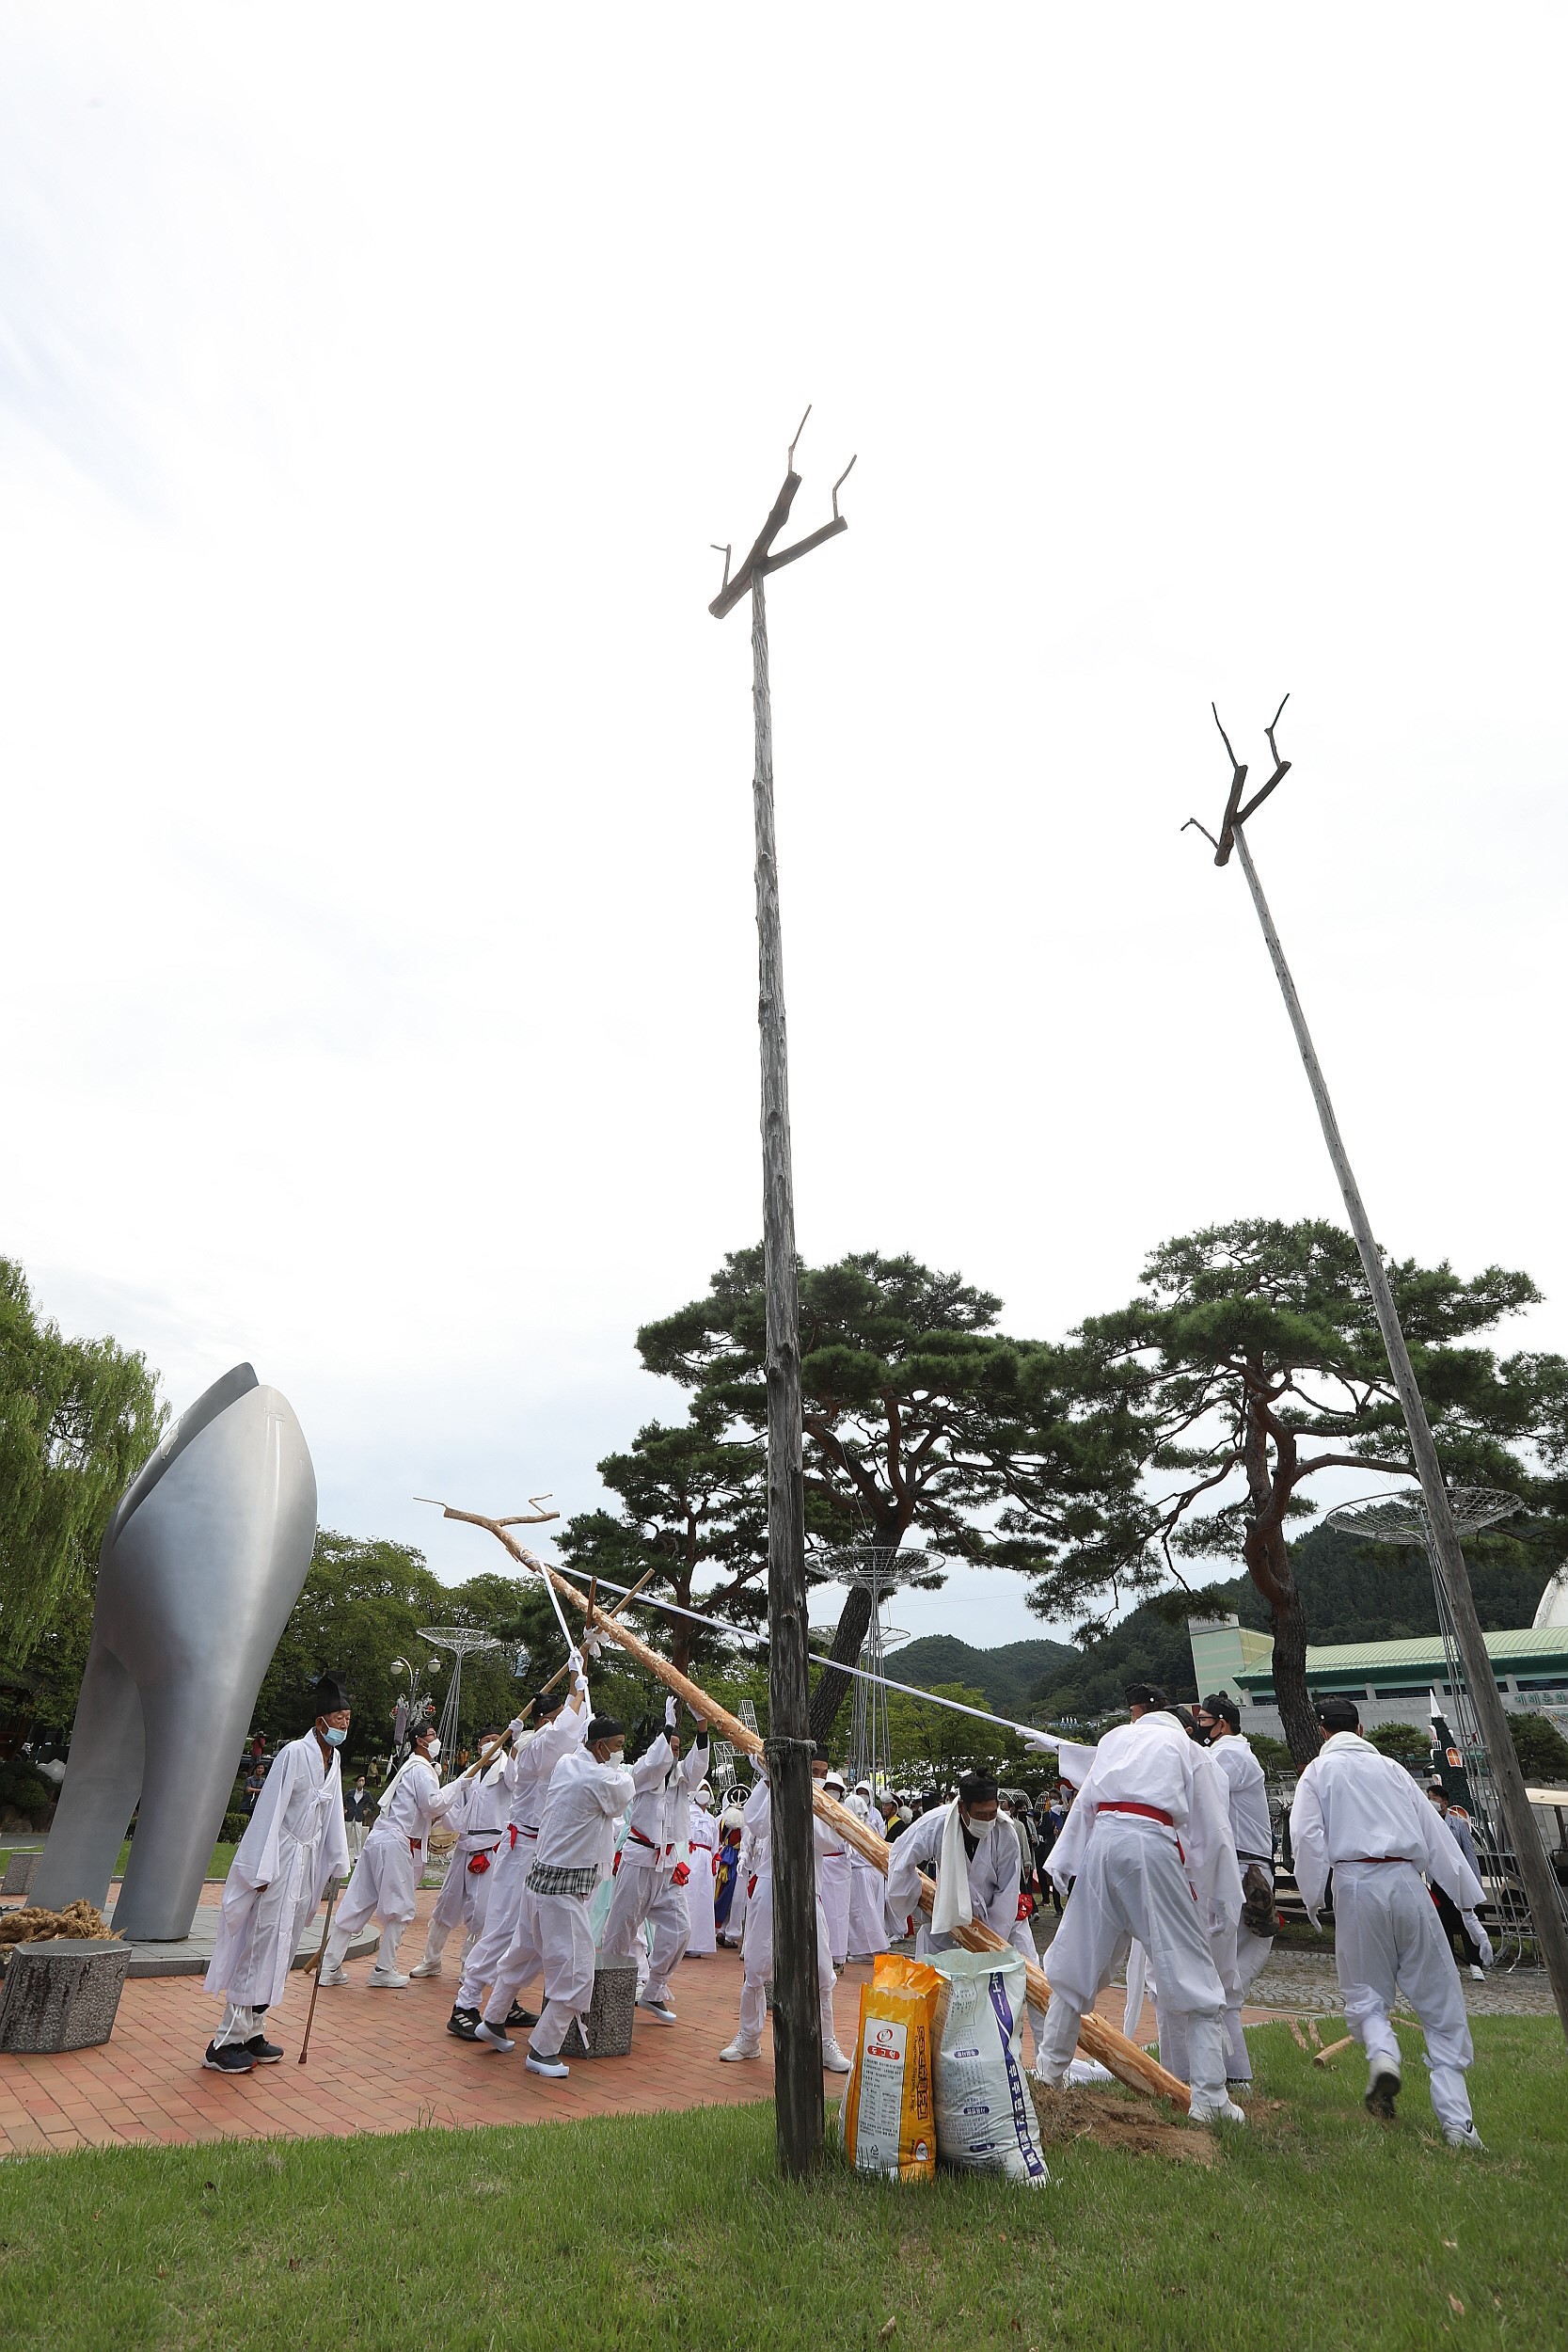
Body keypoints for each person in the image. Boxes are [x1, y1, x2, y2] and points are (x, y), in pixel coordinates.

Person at [1026, 1685, 1245, 2125]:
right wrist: (1219, 1896)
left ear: (1139, 1716)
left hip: (1102, 1844)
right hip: (1149, 1846)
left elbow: (1085, 1802)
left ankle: (1049, 2075)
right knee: (1191, 1966)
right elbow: (1214, 1828)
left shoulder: (1115, 1740)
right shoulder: (1187, 1748)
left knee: (1076, 1961)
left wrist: (1065, 1866)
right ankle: (1210, 2097)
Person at [1292, 1697, 1486, 2148]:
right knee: (1440, 1997)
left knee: (1365, 1991)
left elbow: (1306, 1837)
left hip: (1355, 1882)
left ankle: (1383, 2054)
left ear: (1323, 1732)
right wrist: (1469, 1908)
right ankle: (1458, 2121)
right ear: (1361, 1728)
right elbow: (1436, 1836)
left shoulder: (1317, 1773)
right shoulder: (1392, 1769)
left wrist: (1313, 1897)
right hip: (1406, 1878)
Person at [201, 1673, 351, 2074]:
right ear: (320, 1720)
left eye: (348, 1718)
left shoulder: (333, 1760)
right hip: (279, 1857)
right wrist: (261, 1869)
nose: (344, 1724)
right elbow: (269, 1813)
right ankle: (224, 2041)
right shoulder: (293, 1755)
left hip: (305, 1864)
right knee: (259, 1942)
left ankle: (254, 2029)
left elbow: (333, 1814)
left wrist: (337, 1861)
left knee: (283, 1945)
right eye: (339, 1717)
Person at [475, 1714, 636, 2079]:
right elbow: (623, 1792)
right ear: (599, 1747)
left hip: (538, 1882)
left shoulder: (567, 1763)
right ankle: (543, 2049)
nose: (620, 1754)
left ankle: (494, 2019)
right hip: (562, 1892)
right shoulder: (597, 1777)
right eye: (618, 1746)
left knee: (523, 1955)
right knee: (576, 1971)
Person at [448, 1660, 591, 2041]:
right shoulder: (530, 1745)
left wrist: (581, 1688)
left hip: (543, 1851)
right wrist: (576, 1690)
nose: (569, 1719)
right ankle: (465, 2003)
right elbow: (560, 1736)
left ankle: (503, 2000)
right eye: (561, 1715)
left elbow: (578, 1735)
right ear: (544, 1719)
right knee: (501, 1928)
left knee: (527, 1935)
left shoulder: (558, 1750)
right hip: (520, 1848)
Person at [884, 1771, 1045, 2057]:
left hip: (1000, 1924)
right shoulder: (936, 1824)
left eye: (992, 1813)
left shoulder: (1005, 1832)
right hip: (946, 1916)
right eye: (980, 1814)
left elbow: (1008, 1890)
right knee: (936, 1990)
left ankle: (1046, 2065)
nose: (987, 1820)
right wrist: (918, 1898)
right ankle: (937, 2058)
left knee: (1029, 1981)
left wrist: (989, 1946)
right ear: (962, 1807)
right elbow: (900, 1858)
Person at [719, 1763, 852, 2073]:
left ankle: (825, 2041)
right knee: (755, 1963)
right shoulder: (770, 1788)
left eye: (819, 1769)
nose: (815, 1774)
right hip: (768, 1881)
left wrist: (804, 1801)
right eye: (811, 1768)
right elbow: (756, 1822)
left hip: (807, 1886)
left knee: (821, 1969)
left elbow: (829, 1840)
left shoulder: (825, 1801)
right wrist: (769, 1779)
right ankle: (749, 2037)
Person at [317, 1718, 466, 1988]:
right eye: (432, 1735)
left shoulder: (413, 1767)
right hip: (395, 1841)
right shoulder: (420, 1769)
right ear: (421, 1741)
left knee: (358, 1901)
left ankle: (328, 1967)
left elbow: (433, 1814)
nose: (436, 1740)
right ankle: (383, 1969)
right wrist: (459, 1785)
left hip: (379, 1838)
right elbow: (431, 1805)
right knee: (400, 1906)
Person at [598, 1695, 711, 2025]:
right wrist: (669, 1724)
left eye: (678, 1748)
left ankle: (654, 1988)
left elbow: (698, 1764)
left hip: (666, 1866)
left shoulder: (681, 1781)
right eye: (670, 1746)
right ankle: (610, 1992)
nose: (674, 1753)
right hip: (638, 1860)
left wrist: (701, 1724)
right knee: (621, 1929)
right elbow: (655, 1763)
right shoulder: (640, 1774)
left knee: (681, 1929)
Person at [1194, 1691, 1277, 2088]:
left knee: (1222, 1983)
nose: (1200, 1726)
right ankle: (1233, 2074)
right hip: (1244, 1869)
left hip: (1243, 1873)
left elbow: (1198, 1787)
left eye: (1205, 1719)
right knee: (1224, 1983)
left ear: (1222, 1723)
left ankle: (1233, 2075)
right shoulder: (1229, 1753)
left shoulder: (1229, 1755)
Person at [410, 1727, 511, 1979]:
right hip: (464, 1846)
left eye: (494, 1740)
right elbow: (455, 1808)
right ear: (478, 1746)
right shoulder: (471, 1773)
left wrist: (517, 1742)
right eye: (485, 1741)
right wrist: (439, 1820)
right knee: (445, 1905)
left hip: (491, 1847)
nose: (490, 1744)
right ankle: (431, 1960)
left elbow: (519, 1780)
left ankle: (471, 1966)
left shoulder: (509, 1770)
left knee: (480, 1911)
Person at [1425, 1783, 1490, 1980]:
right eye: (1429, 1797)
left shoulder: (1459, 1825)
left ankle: (1475, 1963)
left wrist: (1474, 1883)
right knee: (1443, 1923)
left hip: (1459, 1879)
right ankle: (1448, 1963)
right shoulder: (1427, 1825)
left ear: (1444, 1802)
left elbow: (1470, 1855)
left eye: (1434, 1798)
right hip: (1438, 1881)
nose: (1431, 1801)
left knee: (1466, 1920)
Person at [844, 1780, 892, 1961]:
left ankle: (863, 1950)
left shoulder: (858, 1825)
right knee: (869, 1911)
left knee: (861, 1913)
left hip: (861, 1872)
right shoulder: (867, 1823)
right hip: (871, 1871)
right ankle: (866, 1948)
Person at [816, 1762, 853, 1969]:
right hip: (822, 1864)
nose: (833, 1792)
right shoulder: (817, 1807)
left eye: (837, 1790)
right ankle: (820, 1957)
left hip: (840, 1867)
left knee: (838, 1914)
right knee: (822, 1913)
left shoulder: (845, 1812)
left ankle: (838, 1958)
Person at [684, 1780, 721, 1957]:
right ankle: (683, 1942)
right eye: (701, 1789)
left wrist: (714, 1861)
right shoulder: (687, 1813)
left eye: (707, 1790)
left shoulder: (712, 1820)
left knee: (703, 1899)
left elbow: (715, 1843)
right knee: (688, 1897)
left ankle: (698, 1944)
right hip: (690, 1856)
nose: (704, 1793)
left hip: (706, 1860)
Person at [714, 1803, 748, 1947]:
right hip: (734, 1859)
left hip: (727, 1858)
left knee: (727, 1894)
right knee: (734, 1897)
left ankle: (721, 1929)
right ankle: (727, 1932)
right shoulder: (745, 1821)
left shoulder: (721, 1819)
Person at [344, 1774, 372, 1861]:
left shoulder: (366, 1794)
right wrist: (345, 1808)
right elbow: (344, 1799)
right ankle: (345, 1854)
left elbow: (372, 1803)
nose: (361, 1782)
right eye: (360, 1780)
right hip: (350, 1815)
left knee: (358, 1837)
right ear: (357, 1782)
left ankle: (357, 1856)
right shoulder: (351, 1792)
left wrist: (366, 1810)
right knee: (346, 1835)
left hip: (359, 1816)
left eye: (363, 1781)